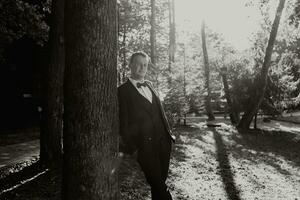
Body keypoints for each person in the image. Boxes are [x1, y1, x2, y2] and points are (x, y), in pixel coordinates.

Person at [118, 51, 175, 200]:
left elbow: (160, 113)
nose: (142, 67)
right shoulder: (122, 91)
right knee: (160, 186)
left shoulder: (150, 86)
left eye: (145, 65)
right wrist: (133, 149)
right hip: (144, 149)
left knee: (158, 185)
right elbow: (123, 123)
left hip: (164, 143)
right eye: (138, 64)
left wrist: (169, 135)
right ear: (130, 65)